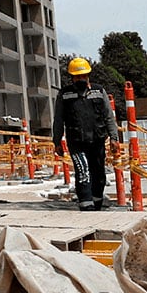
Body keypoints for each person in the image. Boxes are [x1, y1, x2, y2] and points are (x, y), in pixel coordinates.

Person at [53, 56, 121, 211]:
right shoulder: (65, 94)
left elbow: (108, 116)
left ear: (88, 75)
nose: (80, 79)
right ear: (72, 78)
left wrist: (114, 138)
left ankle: (97, 201)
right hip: (76, 141)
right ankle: (85, 203)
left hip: (97, 139)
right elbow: (58, 119)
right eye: (77, 77)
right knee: (83, 171)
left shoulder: (98, 91)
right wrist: (56, 141)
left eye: (83, 76)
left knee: (98, 173)